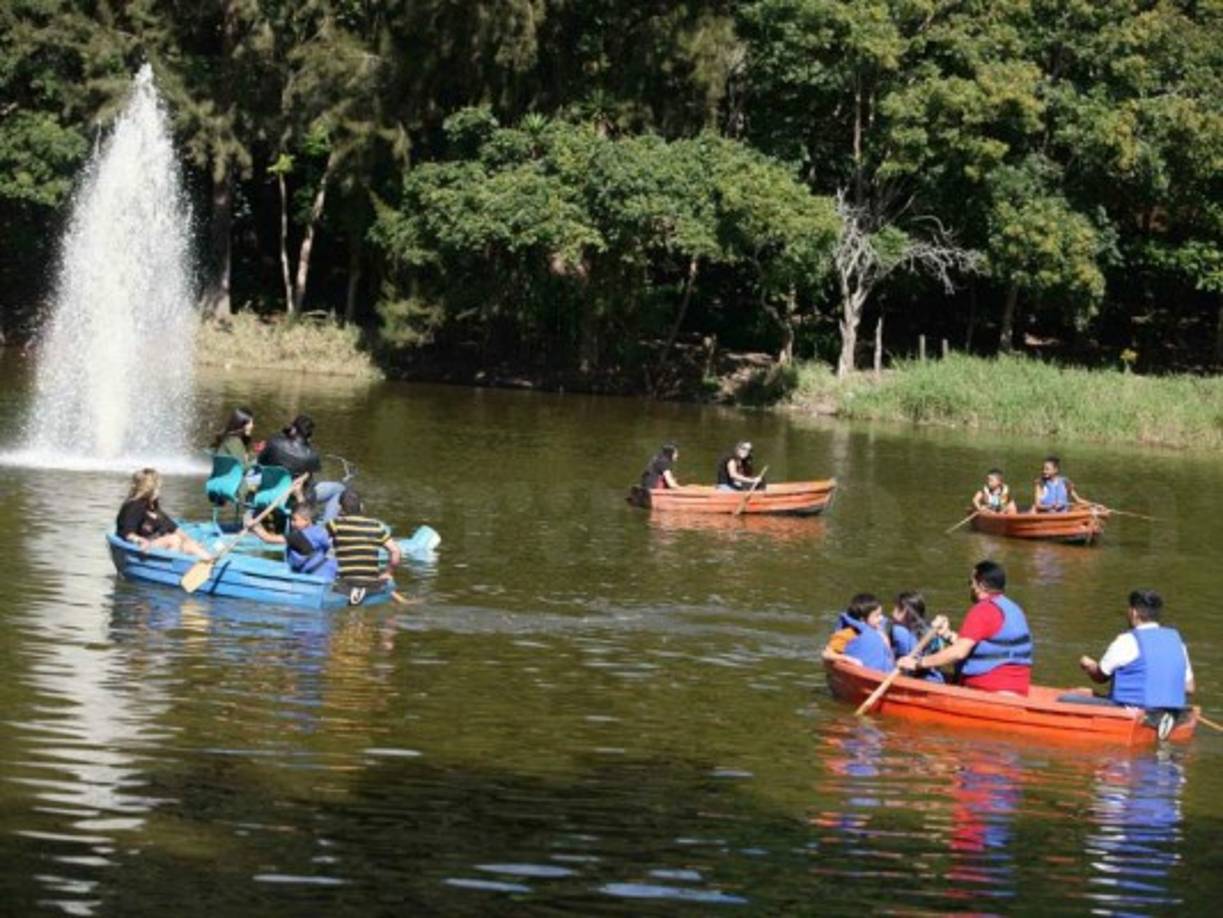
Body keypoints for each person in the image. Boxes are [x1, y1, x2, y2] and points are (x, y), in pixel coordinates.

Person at [898, 561, 1032, 695]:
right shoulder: (1014, 609)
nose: (970, 587)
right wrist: (947, 635)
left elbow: (958, 653)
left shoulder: (983, 610)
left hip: (989, 690)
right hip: (1017, 689)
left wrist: (918, 663)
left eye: (971, 583)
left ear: (981, 586)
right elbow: (986, 645)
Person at [1078, 590, 1194, 709]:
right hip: (1170, 713)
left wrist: (1089, 665)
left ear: (1134, 613)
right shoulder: (1178, 643)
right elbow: (1189, 688)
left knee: (1069, 698)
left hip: (1131, 712)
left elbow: (1100, 677)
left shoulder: (1127, 640)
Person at [257, 413, 345, 521]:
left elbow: (261, 461)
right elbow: (310, 481)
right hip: (295, 497)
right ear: (309, 435)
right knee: (340, 489)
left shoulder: (273, 441)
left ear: (293, 429)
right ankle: (326, 524)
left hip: (270, 491)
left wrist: (285, 434)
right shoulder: (311, 455)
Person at [116, 468, 210, 559]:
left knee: (188, 544)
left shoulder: (152, 506)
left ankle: (210, 562)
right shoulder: (134, 506)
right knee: (174, 539)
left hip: (155, 544)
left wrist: (189, 540)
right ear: (150, 489)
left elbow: (171, 526)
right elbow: (127, 533)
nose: (160, 491)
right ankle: (171, 564)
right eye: (158, 488)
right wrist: (140, 541)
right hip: (143, 546)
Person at [249, 501, 339, 581]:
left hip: (316, 577)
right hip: (329, 573)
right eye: (291, 519)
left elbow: (267, 538)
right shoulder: (318, 531)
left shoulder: (297, 538)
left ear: (307, 520)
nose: (292, 523)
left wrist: (254, 527)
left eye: (294, 520)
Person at [327, 488, 401, 583]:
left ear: (340, 509)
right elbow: (396, 551)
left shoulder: (334, 524)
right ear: (361, 506)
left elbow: (317, 543)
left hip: (344, 582)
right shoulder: (376, 526)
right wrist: (388, 573)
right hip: (370, 583)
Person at [822, 593, 894, 674]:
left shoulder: (880, 633)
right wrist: (848, 659)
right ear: (862, 620)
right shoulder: (848, 634)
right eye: (877, 616)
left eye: (881, 614)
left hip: (882, 673)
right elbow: (826, 654)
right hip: (859, 672)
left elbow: (889, 656)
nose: (881, 618)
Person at [888, 591, 950, 683]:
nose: (892, 612)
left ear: (905, 612)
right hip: (936, 678)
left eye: (896, 608)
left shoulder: (899, 631)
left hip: (919, 680)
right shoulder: (929, 629)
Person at [212, 406, 260, 498]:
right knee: (266, 478)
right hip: (235, 486)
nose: (252, 426)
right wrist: (258, 460)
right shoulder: (235, 442)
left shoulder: (228, 439)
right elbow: (242, 468)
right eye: (250, 423)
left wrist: (255, 452)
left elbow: (240, 460)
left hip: (221, 482)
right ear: (242, 425)